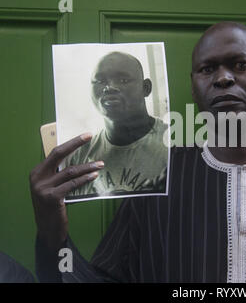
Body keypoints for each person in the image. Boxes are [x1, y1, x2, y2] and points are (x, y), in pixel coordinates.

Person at [30, 22, 246, 282]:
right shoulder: (159, 178)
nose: (224, 78)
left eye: (240, 65)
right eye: (208, 69)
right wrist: (51, 230)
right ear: (195, 87)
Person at [62, 51, 168, 200]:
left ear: (146, 88)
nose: (109, 87)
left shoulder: (173, 142)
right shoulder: (78, 156)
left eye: (123, 80)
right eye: (100, 81)